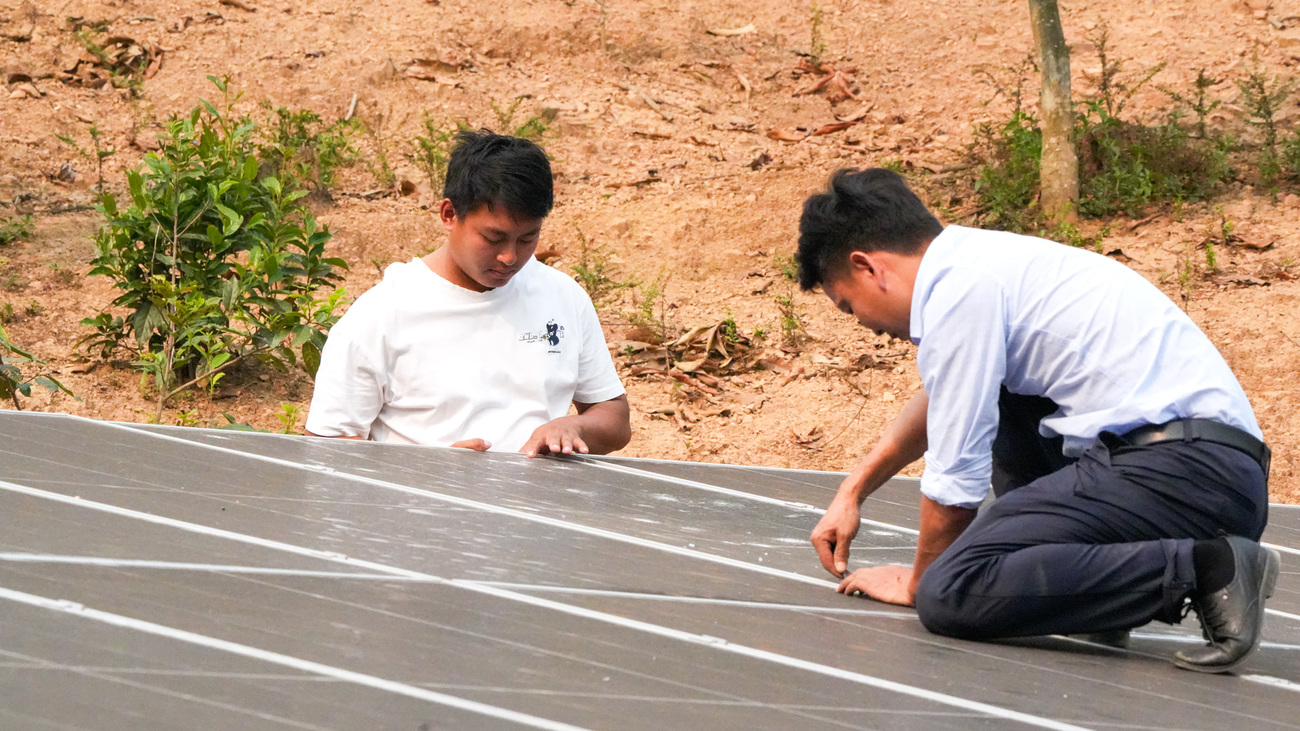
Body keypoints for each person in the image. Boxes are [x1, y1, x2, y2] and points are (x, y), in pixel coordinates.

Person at [799, 167, 1278, 673]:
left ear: (868, 266)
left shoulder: (959, 291)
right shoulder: (982, 261)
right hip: (1215, 472)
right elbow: (944, 396)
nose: (867, 327)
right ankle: (1100, 592)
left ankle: (1208, 568)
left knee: (953, 591)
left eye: (850, 306)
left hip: (1180, 473)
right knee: (1002, 399)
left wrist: (918, 582)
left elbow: (955, 475)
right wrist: (852, 492)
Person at [305, 129, 631, 458]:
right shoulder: (381, 314)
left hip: (539, 508)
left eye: (527, 238)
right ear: (449, 214)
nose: (510, 256)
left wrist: (572, 427)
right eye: (493, 238)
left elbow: (614, 417)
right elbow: (325, 446)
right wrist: (427, 471)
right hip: (423, 508)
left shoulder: (563, 297)